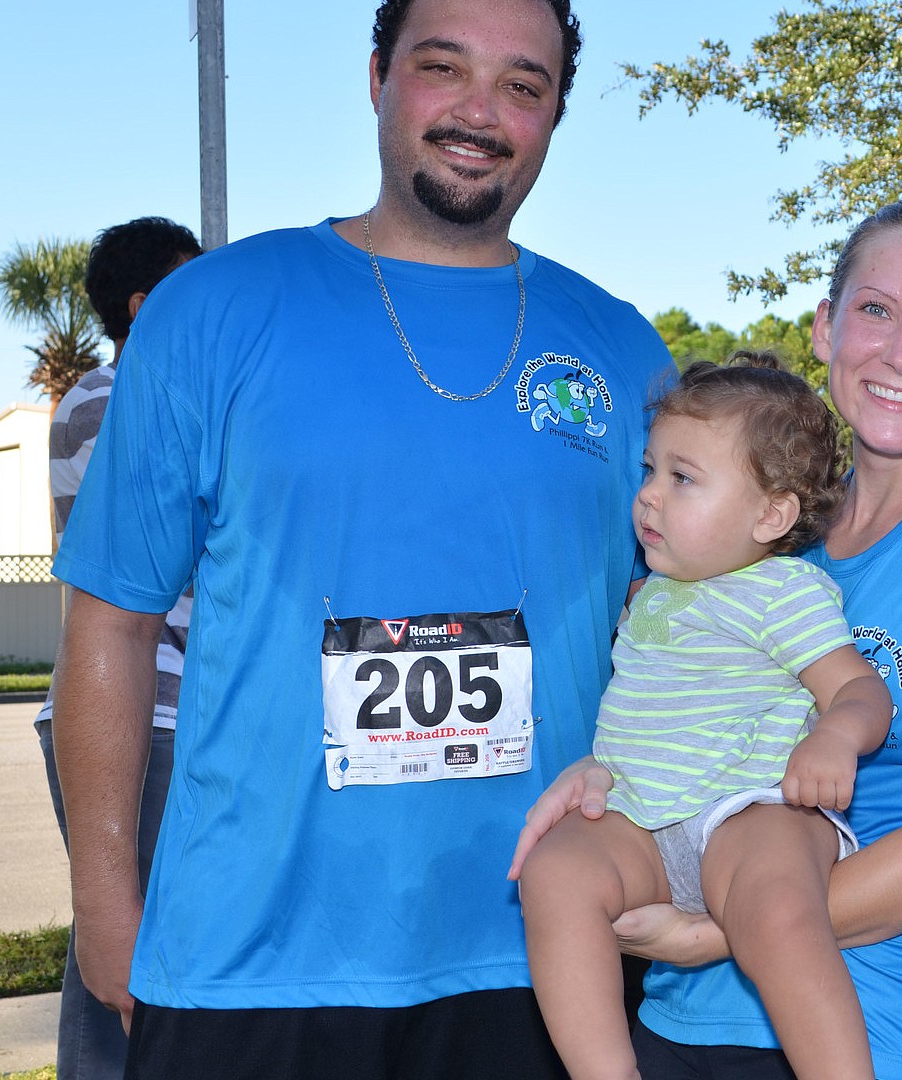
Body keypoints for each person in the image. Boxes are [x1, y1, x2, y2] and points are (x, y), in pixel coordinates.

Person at [47, 1, 673, 1076]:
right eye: (444, 68)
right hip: (250, 961)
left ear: (557, 113)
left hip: (544, 958)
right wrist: (106, 900)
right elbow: (111, 615)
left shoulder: (622, 350)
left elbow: (670, 632)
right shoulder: (213, 312)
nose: (480, 111)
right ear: (378, 74)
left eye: (523, 85)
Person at [514, 198, 902, 1078]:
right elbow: (677, 687)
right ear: (826, 326)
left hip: (877, 1025)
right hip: (684, 1024)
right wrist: (609, 766)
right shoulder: (730, 523)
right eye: (876, 309)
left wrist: (715, 930)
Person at [514, 355, 893, 1080]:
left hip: (747, 810)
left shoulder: (781, 589)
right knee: (554, 871)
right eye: (650, 470)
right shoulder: (652, 591)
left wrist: (836, 737)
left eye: (681, 478)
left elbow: (861, 688)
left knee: (780, 913)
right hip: (643, 822)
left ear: (771, 514)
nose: (650, 497)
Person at [33, 215, 201, 1080]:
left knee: (133, 937)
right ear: (146, 305)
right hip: (143, 704)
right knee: (121, 944)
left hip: (174, 706)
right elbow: (173, 545)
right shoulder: (105, 400)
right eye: (191, 283)